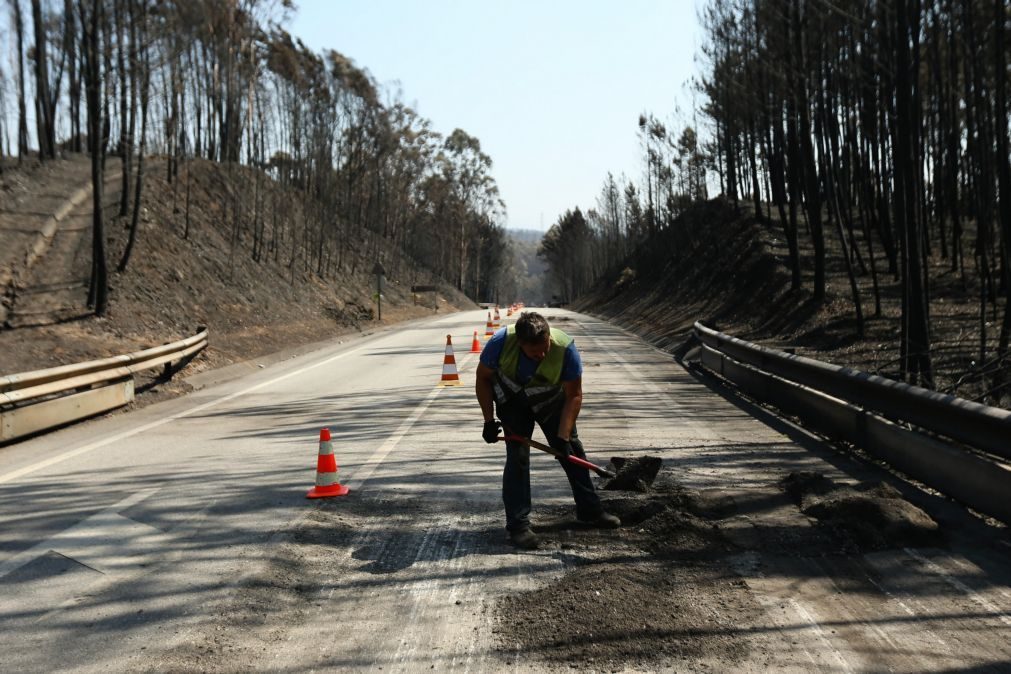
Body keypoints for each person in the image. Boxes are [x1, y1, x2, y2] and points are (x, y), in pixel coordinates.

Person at [475, 311, 619, 550]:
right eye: (534, 353)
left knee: (572, 450)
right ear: (521, 344)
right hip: (512, 401)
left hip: (551, 402)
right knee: (518, 458)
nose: (542, 355)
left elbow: (574, 395)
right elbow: (483, 379)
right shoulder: (500, 343)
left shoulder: (565, 348)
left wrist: (562, 437)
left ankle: (590, 511)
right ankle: (518, 526)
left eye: (545, 348)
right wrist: (488, 421)